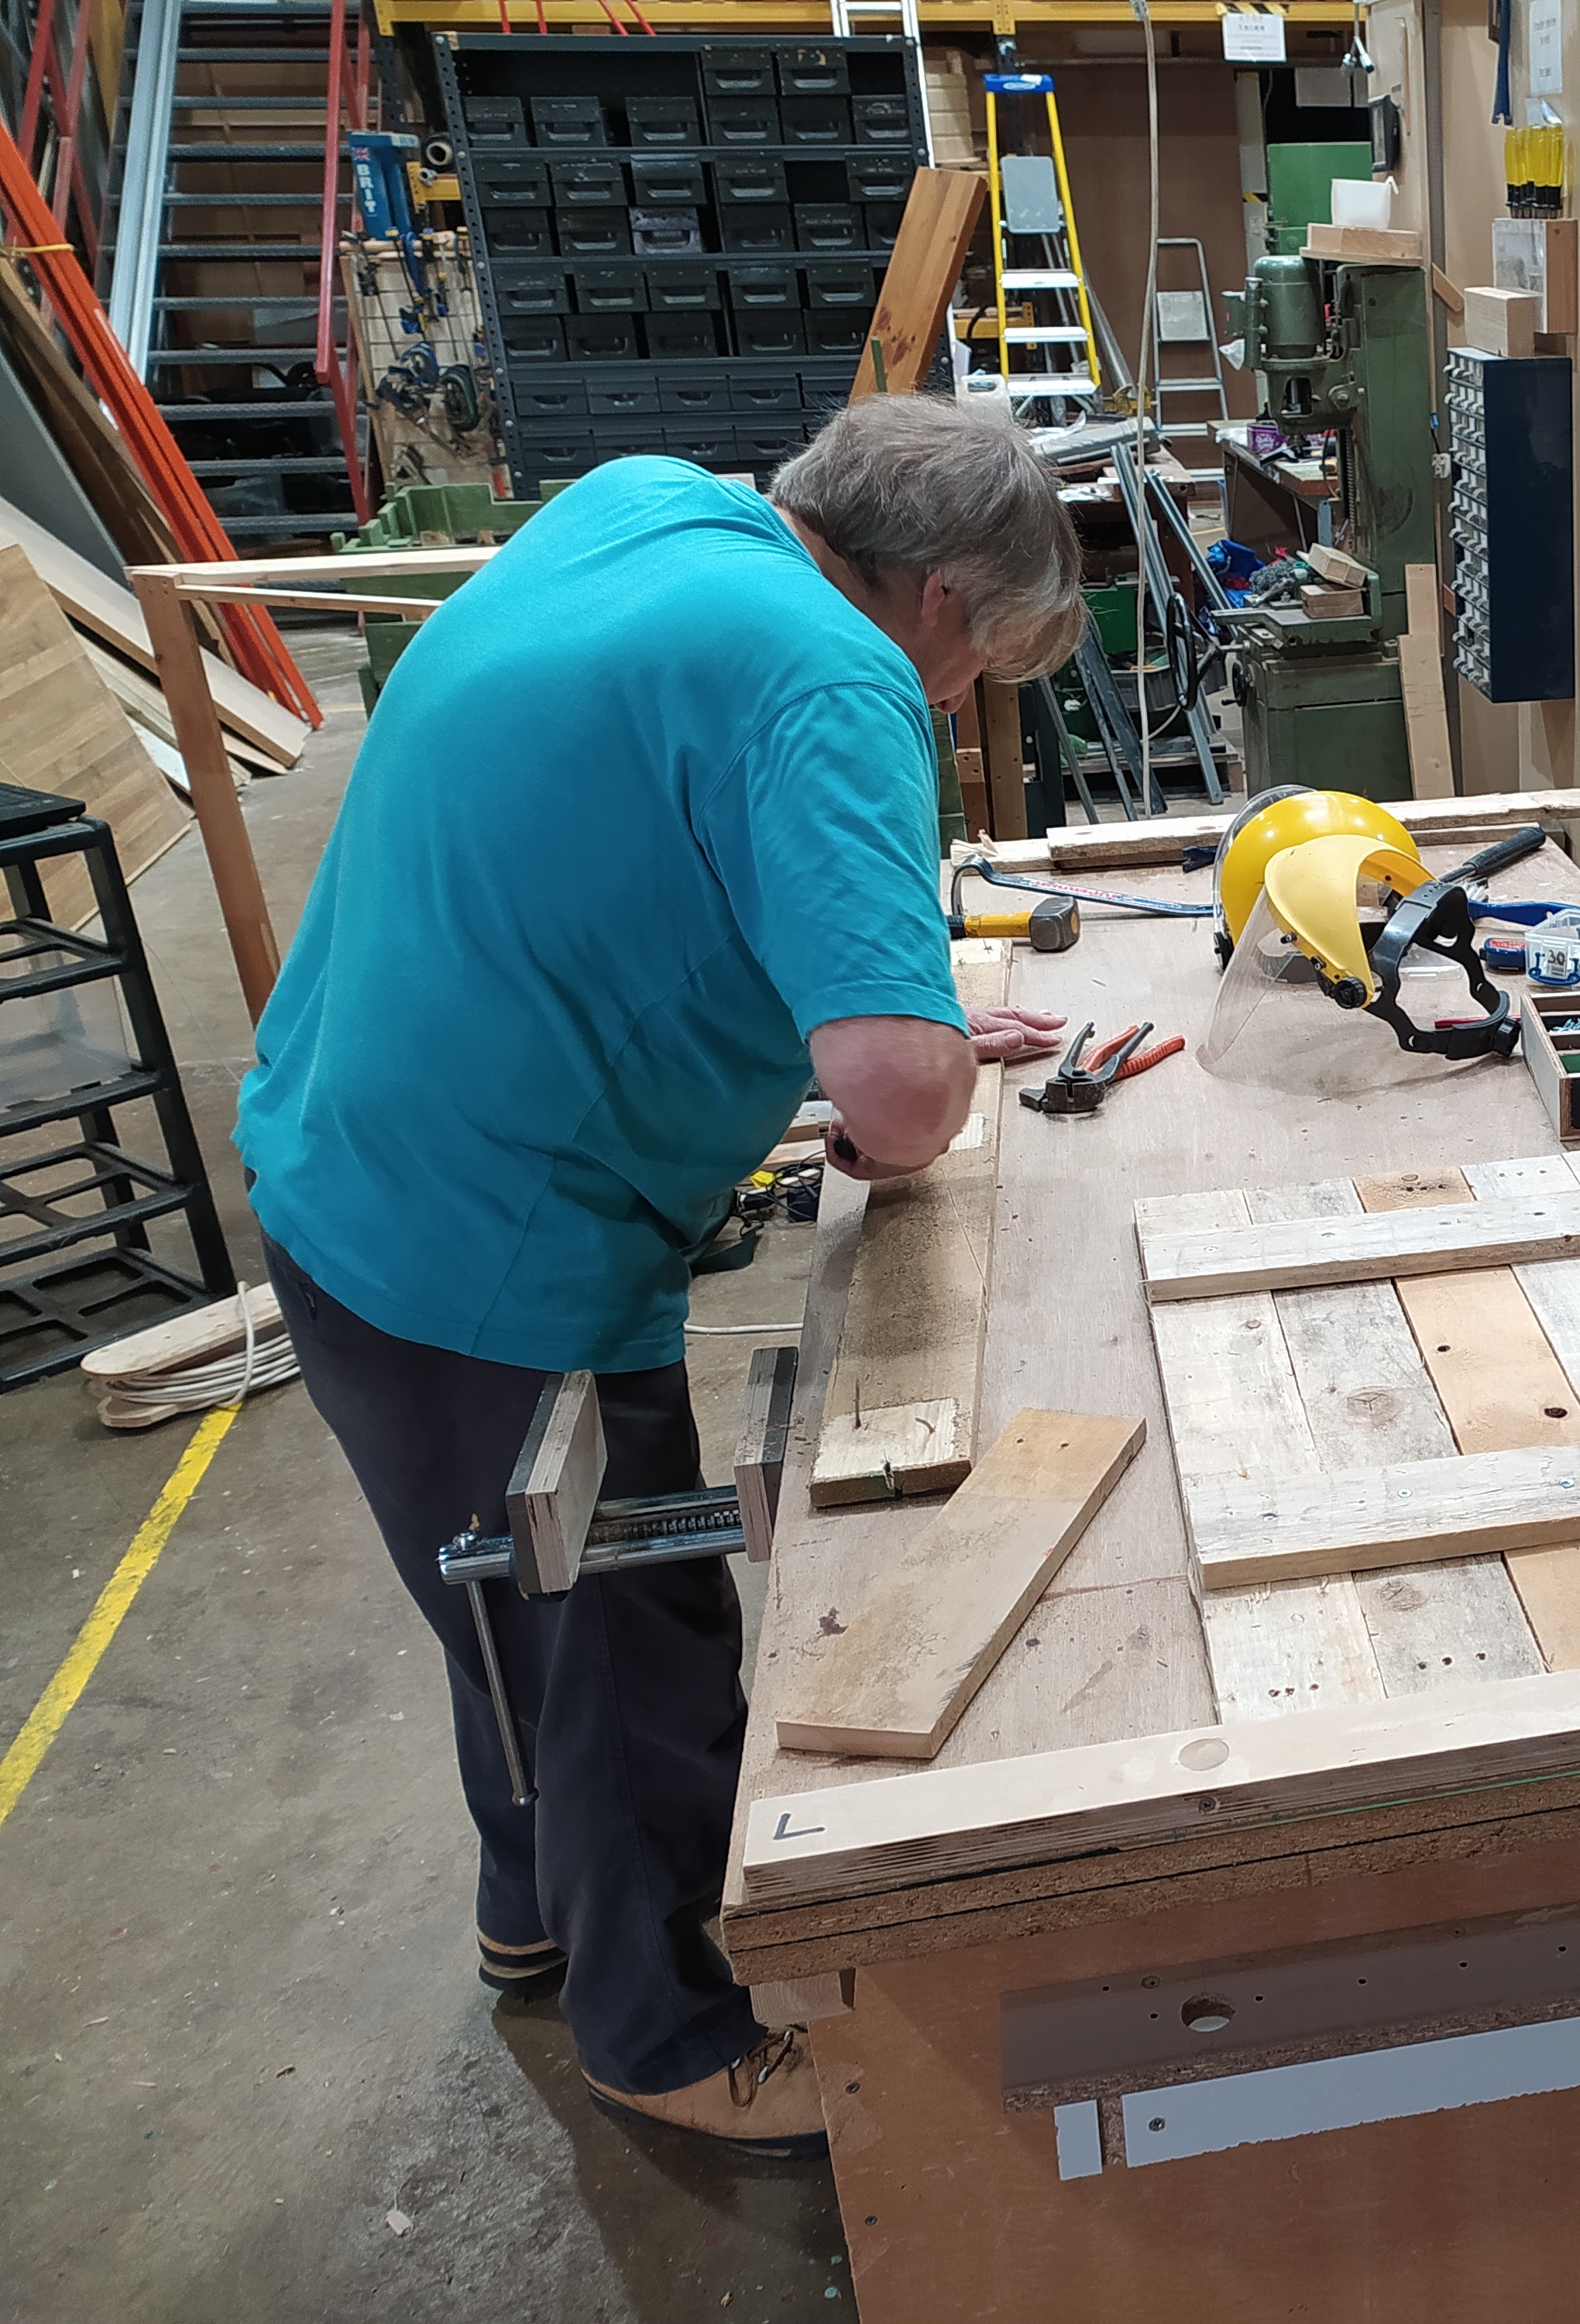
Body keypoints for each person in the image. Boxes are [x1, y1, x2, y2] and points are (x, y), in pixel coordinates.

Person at [235, 396, 1087, 2160]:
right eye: (973, 669)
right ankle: (667, 2037)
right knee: (624, 1644)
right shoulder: (835, 672)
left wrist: (857, 1011)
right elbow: (906, 1100)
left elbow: (629, 839)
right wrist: (896, 1060)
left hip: (343, 1172)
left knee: (503, 1609)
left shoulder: (643, 508)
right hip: (491, 1237)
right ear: (931, 596)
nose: (953, 704)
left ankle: (531, 1916)